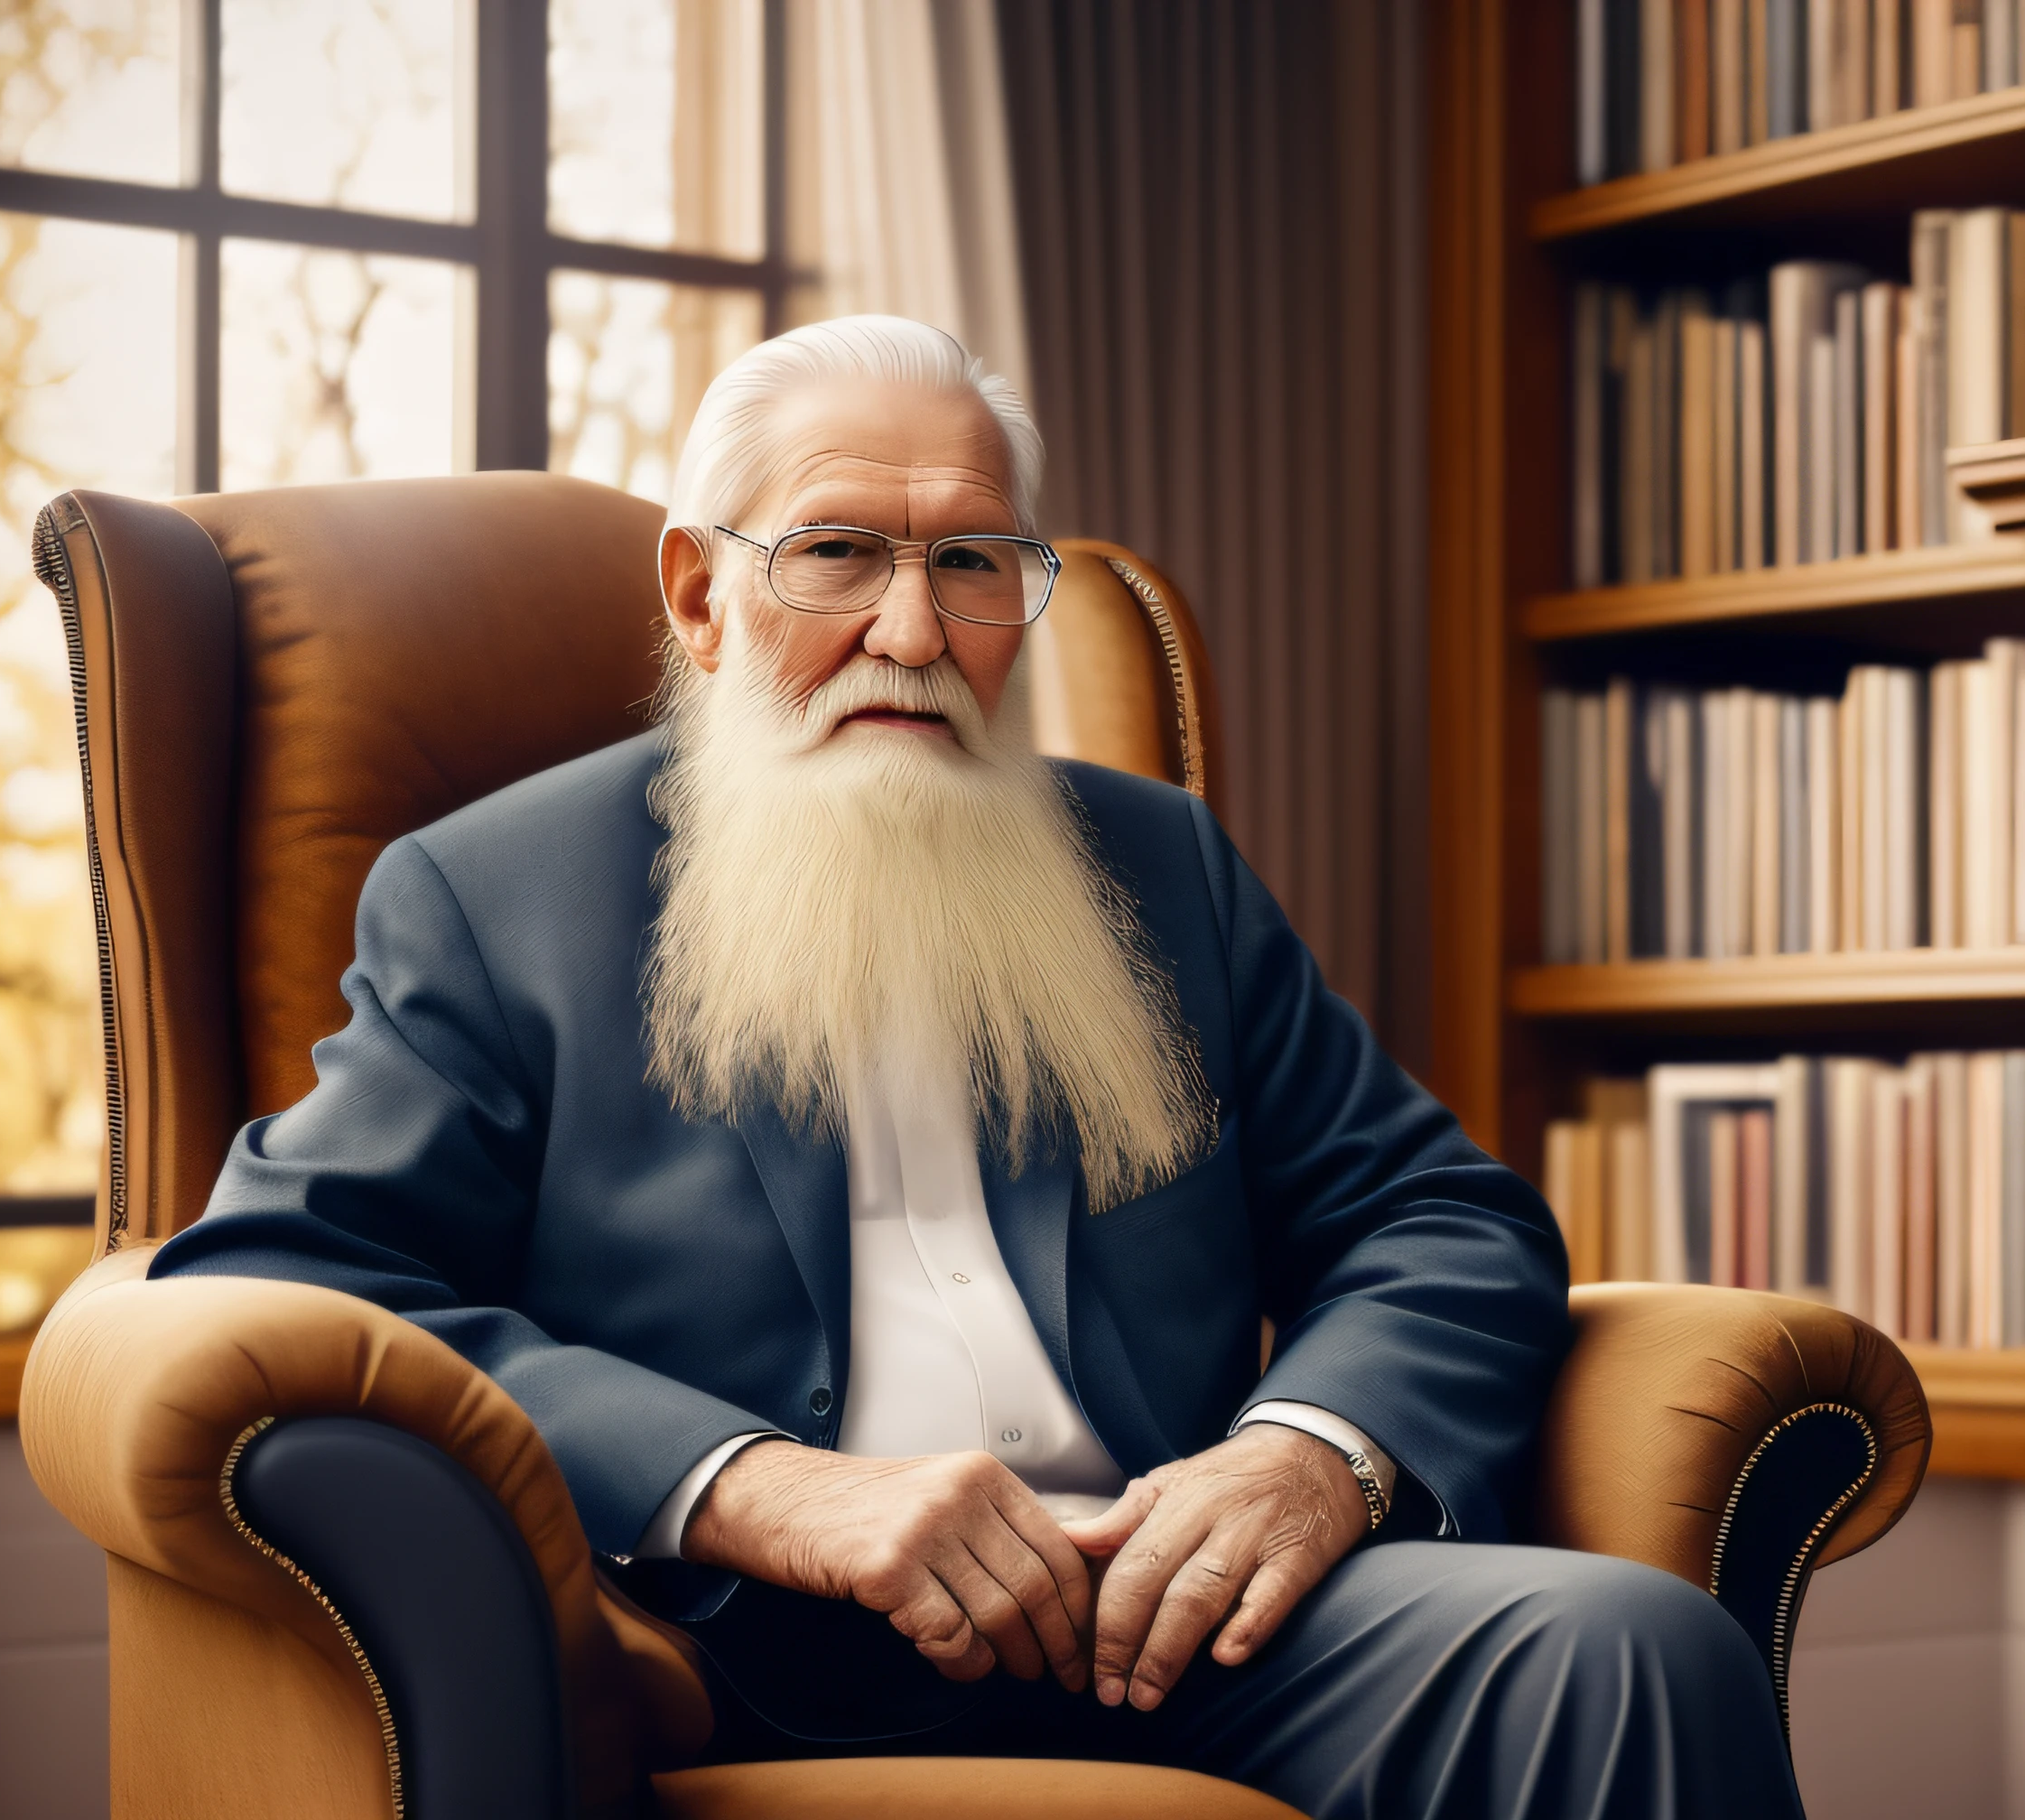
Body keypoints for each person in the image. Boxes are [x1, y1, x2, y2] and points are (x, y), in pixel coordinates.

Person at [150, 315, 1804, 1818]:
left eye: (974, 562)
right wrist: (758, 1490)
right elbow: (299, 1280)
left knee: (1633, 1648)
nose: (911, 627)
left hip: (1184, 1625)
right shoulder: (497, 894)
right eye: (839, 552)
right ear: (699, 594)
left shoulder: (1159, 870)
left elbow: (1437, 1216)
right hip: (741, 1662)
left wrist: (1308, 1452)